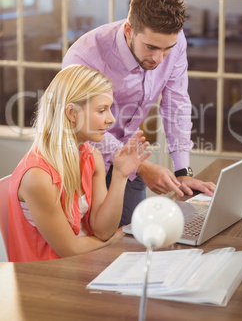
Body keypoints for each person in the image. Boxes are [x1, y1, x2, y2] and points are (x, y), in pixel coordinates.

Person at [62, 0, 215, 226]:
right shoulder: (85, 57)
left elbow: (176, 104)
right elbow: (81, 127)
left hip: (130, 158)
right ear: (128, 30)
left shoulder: (175, 41)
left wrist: (182, 172)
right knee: (92, 247)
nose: (158, 59)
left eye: (167, 49)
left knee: (132, 240)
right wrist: (142, 166)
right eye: (151, 47)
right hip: (83, 160)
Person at [8, 64, 151, 262]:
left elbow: (102, 231)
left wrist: (120, 176)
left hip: (84, 264)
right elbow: (71, 250)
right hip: (47, 278)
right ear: (72, 113)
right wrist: (119, 238)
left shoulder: (92, 156)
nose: (111, 119)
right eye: (102, 110)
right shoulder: (38, 177)